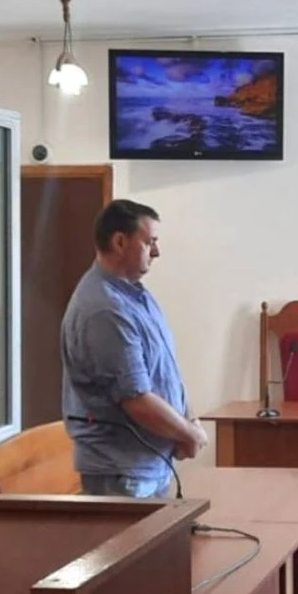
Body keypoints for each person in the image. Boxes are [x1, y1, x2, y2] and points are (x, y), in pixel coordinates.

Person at [62, 199, 204, 498]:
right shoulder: (105, 310)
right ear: (120, 242)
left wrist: (188, 422)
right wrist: (189, 434)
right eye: (149, 242)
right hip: (122, 473)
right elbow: (136, 399)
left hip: (149, 464)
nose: (156, 252)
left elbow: (166, 370)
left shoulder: (136, 296)